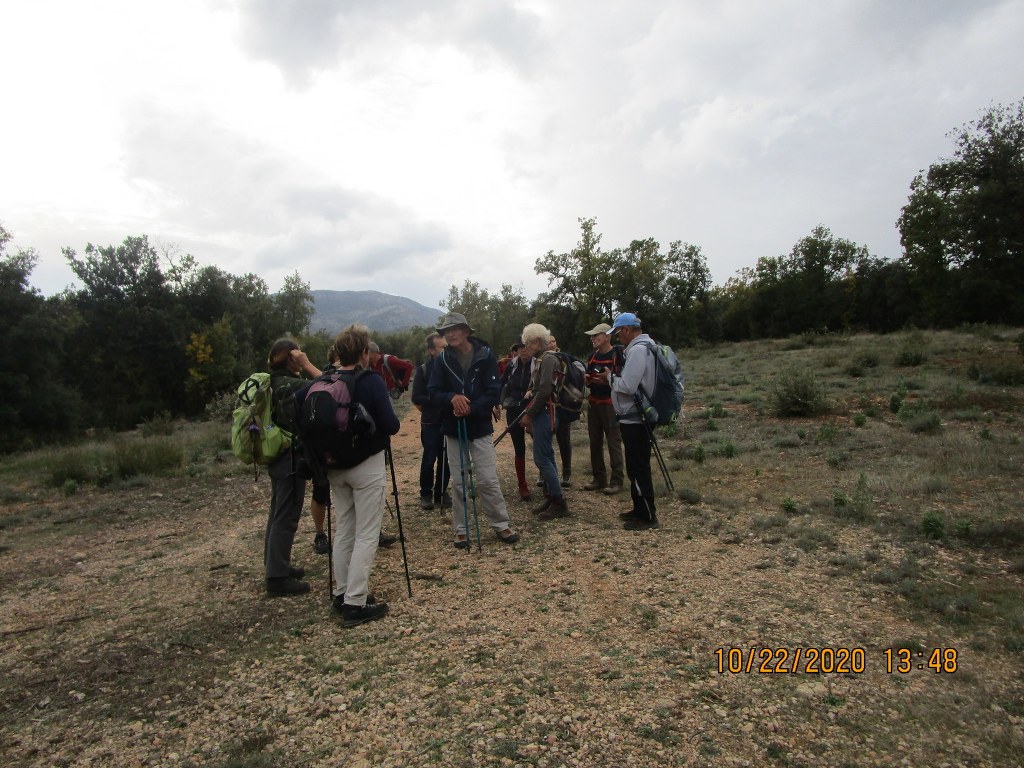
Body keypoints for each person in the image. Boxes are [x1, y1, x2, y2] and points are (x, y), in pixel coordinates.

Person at [295, 324, 401, 627]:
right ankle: (355, 602)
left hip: (333, 467)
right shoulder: (370, 381)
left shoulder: (324, 380)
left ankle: (342, 594)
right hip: (365, 465)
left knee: (344, 530)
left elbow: (296, 406)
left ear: (338, 352)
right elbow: (392, 425)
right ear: (365, 352)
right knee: (367, 533)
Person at [428, 312, 520, 548]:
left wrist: (470, 407)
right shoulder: (441, 360)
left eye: (455, 328)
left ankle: (501, 524)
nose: (450, 333)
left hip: (479, 426)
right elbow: (434, 392)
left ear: (466, 331)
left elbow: (492, 391)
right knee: (458, 482)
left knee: (487, 479)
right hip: (452, 427)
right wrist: (452, 398)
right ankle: (461, 529)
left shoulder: (485, 355)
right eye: (446, 331)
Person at [264, 338, 323, 596]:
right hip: (288, 456)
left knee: (277, 511)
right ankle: (277, 578)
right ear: (291, 357)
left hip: (275, 454)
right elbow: (324, 385)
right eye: (297, 353)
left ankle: (276, 566)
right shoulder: (289, 384)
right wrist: (307, 364)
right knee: (286, 515)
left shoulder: (271, 381)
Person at [598, 312, 660, 530]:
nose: (617, 338)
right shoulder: (646, 347)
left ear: (626, 330)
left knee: (638, 465)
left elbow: (628, 386)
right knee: (636, 465)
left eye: (618, 333)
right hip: (637, 415)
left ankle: (647, 516)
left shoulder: (638, 351)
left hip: (636, 417)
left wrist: (609, 377)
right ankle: (640, 508)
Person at [521, 324, 569, 521]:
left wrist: (529, 414)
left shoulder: (548, 359)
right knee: (546, 456)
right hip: (543, 411)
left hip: (545, 412)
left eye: (528, 343)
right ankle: (552, 497)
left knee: (542, 458)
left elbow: (545, 390)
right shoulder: (542, 359)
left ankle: (558, 501)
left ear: (537, 341)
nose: (526, 347)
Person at [582, 322, 625, 495]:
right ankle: (599, 479)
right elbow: (588, 375)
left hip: (610, 404)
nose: (593, 339)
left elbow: (623, 378)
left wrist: (608, 379)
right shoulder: (593, 356)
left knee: (613, 442)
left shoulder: (617, 354)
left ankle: (617, 481)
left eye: (596, 335)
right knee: (595, 441)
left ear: (607, 336)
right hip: (594, 402)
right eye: (592, 336)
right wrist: (587, 380)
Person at [411, 332, 450, 510]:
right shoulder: (423, 370)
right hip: (431, 423)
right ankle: (425, 494)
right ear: (431, 350)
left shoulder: (452, 369)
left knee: (446, 459)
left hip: (449, 421)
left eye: (446, 347)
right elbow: (416, 397)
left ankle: (441, 492)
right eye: (442, 348)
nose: (446, 351)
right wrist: (438, 398)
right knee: (429, 459)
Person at [496, 341, 533, 501]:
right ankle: (522, 485)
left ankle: (546, 483)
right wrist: (498, 402)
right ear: (516, 350)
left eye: (526, 347)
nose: (523, 350)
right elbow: (502, 383)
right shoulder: (511, 366)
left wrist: (532, 391)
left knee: (540, 445)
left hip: (533, 409)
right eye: (520, 348)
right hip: (513, 409)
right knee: (519, 447)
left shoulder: (538, 365)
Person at [547, 335, 574, 488]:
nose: (551, 344)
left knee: (564, 439)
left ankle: (566, 472)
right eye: (549, 341)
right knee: (545, 440)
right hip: (547, 405)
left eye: (554, 341)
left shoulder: (565, 359)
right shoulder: (540, 359)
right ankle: (544, 472)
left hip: (562, 405)